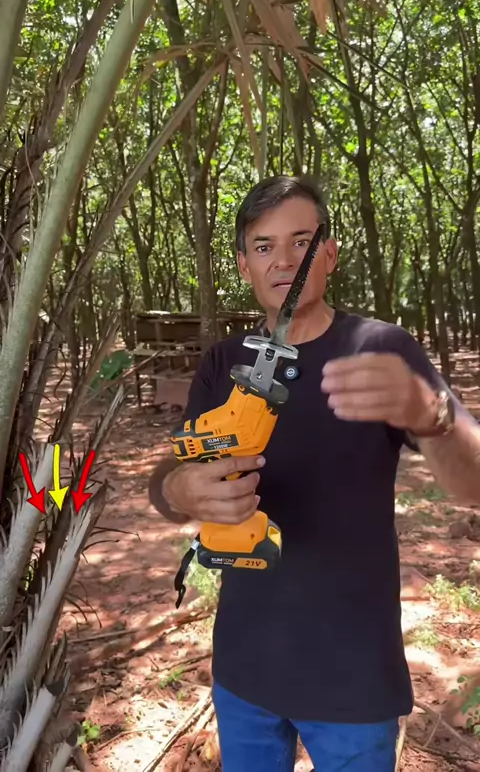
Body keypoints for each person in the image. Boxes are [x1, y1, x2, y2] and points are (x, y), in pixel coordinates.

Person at [148, 175, 480, 772]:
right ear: (245, 265)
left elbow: (473, 484)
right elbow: (170, 477)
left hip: (353, 680)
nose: (285, 261)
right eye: (264, 246)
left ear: (329, 253)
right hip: (244, 672)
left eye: (301, 241)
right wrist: (181, 488)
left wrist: (430, 416)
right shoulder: (223, 361)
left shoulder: (381, 348)